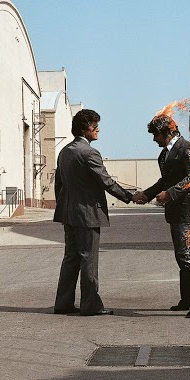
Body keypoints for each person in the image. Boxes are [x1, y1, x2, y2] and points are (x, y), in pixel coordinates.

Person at [52, 109, 137, 316]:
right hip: (87, 214)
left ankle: (63, 303)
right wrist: (130, 196)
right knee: (88, 258)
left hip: (69, 213)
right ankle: (90, 305)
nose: (98, 130)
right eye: (94, 126)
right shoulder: (89, 153)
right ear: (84, 129)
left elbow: (59, 184)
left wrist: (64, 206)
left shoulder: (64, 152)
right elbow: (106, 181)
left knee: (71, 258)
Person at [132, 115, 190, 318]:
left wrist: (170, 194)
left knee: (186, 255)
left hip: (188, 211)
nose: (154, 139)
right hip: (176, 212)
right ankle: (188, 299)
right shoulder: (164, 155)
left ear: (168, 132)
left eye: (156, 135)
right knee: (182, 256)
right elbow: (164, 180)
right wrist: (147, 194)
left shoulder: (188, 149)